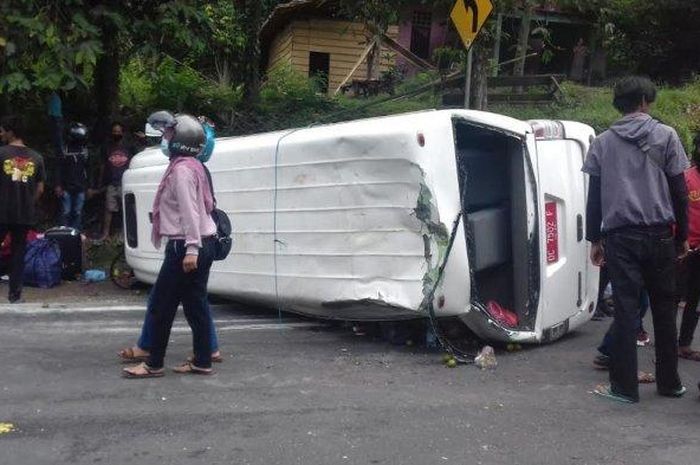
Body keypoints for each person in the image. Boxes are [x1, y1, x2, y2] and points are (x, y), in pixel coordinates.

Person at [584, 76, 689, 403]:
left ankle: (624, 388)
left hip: (620, 237)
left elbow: (594, 197)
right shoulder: (666, 135)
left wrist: (593, 239)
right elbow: (680, 192)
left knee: (627, 312)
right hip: (660, 235)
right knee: (664, 310)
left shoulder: (602, 142)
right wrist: (682, 236)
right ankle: (670, 384)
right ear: (645, 100)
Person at [123, 112, 217, 378]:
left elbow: (190, 212)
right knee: (195, 305)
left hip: (185, 248)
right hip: (203, 243)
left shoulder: (182, 171)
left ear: (180, 140)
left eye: (169, 135)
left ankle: (153, 364)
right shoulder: (195, 165)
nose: (165, 139)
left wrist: (190, 248)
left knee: (162, 305)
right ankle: (202, 360)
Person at [0, 116, 46, 303]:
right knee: (18, 254)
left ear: (11, 132)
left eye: (2, 130)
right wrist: (28, 201)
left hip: (2, 211)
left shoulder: (1, 153)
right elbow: (41, 188)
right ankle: (15, 295)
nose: (0, 133)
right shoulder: (36, 157)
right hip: (24, 214)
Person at [678, 133, 700, 362]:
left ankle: (684, 344)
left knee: (694, 300)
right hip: (683, 249)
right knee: (672, 299)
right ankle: (665, 349)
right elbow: (673, 214)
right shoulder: (685, 178)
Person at [98, 122, 133, 241]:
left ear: (122, 133)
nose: (116, 134)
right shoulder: (106, 147)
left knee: (126, 210)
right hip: (111, 183)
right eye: (114, 131)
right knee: (108, 209)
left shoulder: (129, 146)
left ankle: (124, 235)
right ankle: (105, 234)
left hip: (126, 183)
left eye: (118, 131)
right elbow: (103, 165)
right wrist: (101, 181)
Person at [55, 122, 89, 230]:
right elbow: (59, 168)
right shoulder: (65, 150)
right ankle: (63, 233)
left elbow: (89, 169)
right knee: (66, 211)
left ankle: (75, 234)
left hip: (81, 186)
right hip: (66, 186)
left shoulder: (84, 151)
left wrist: (89, 187)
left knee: (78, 212)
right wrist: (58, 185)